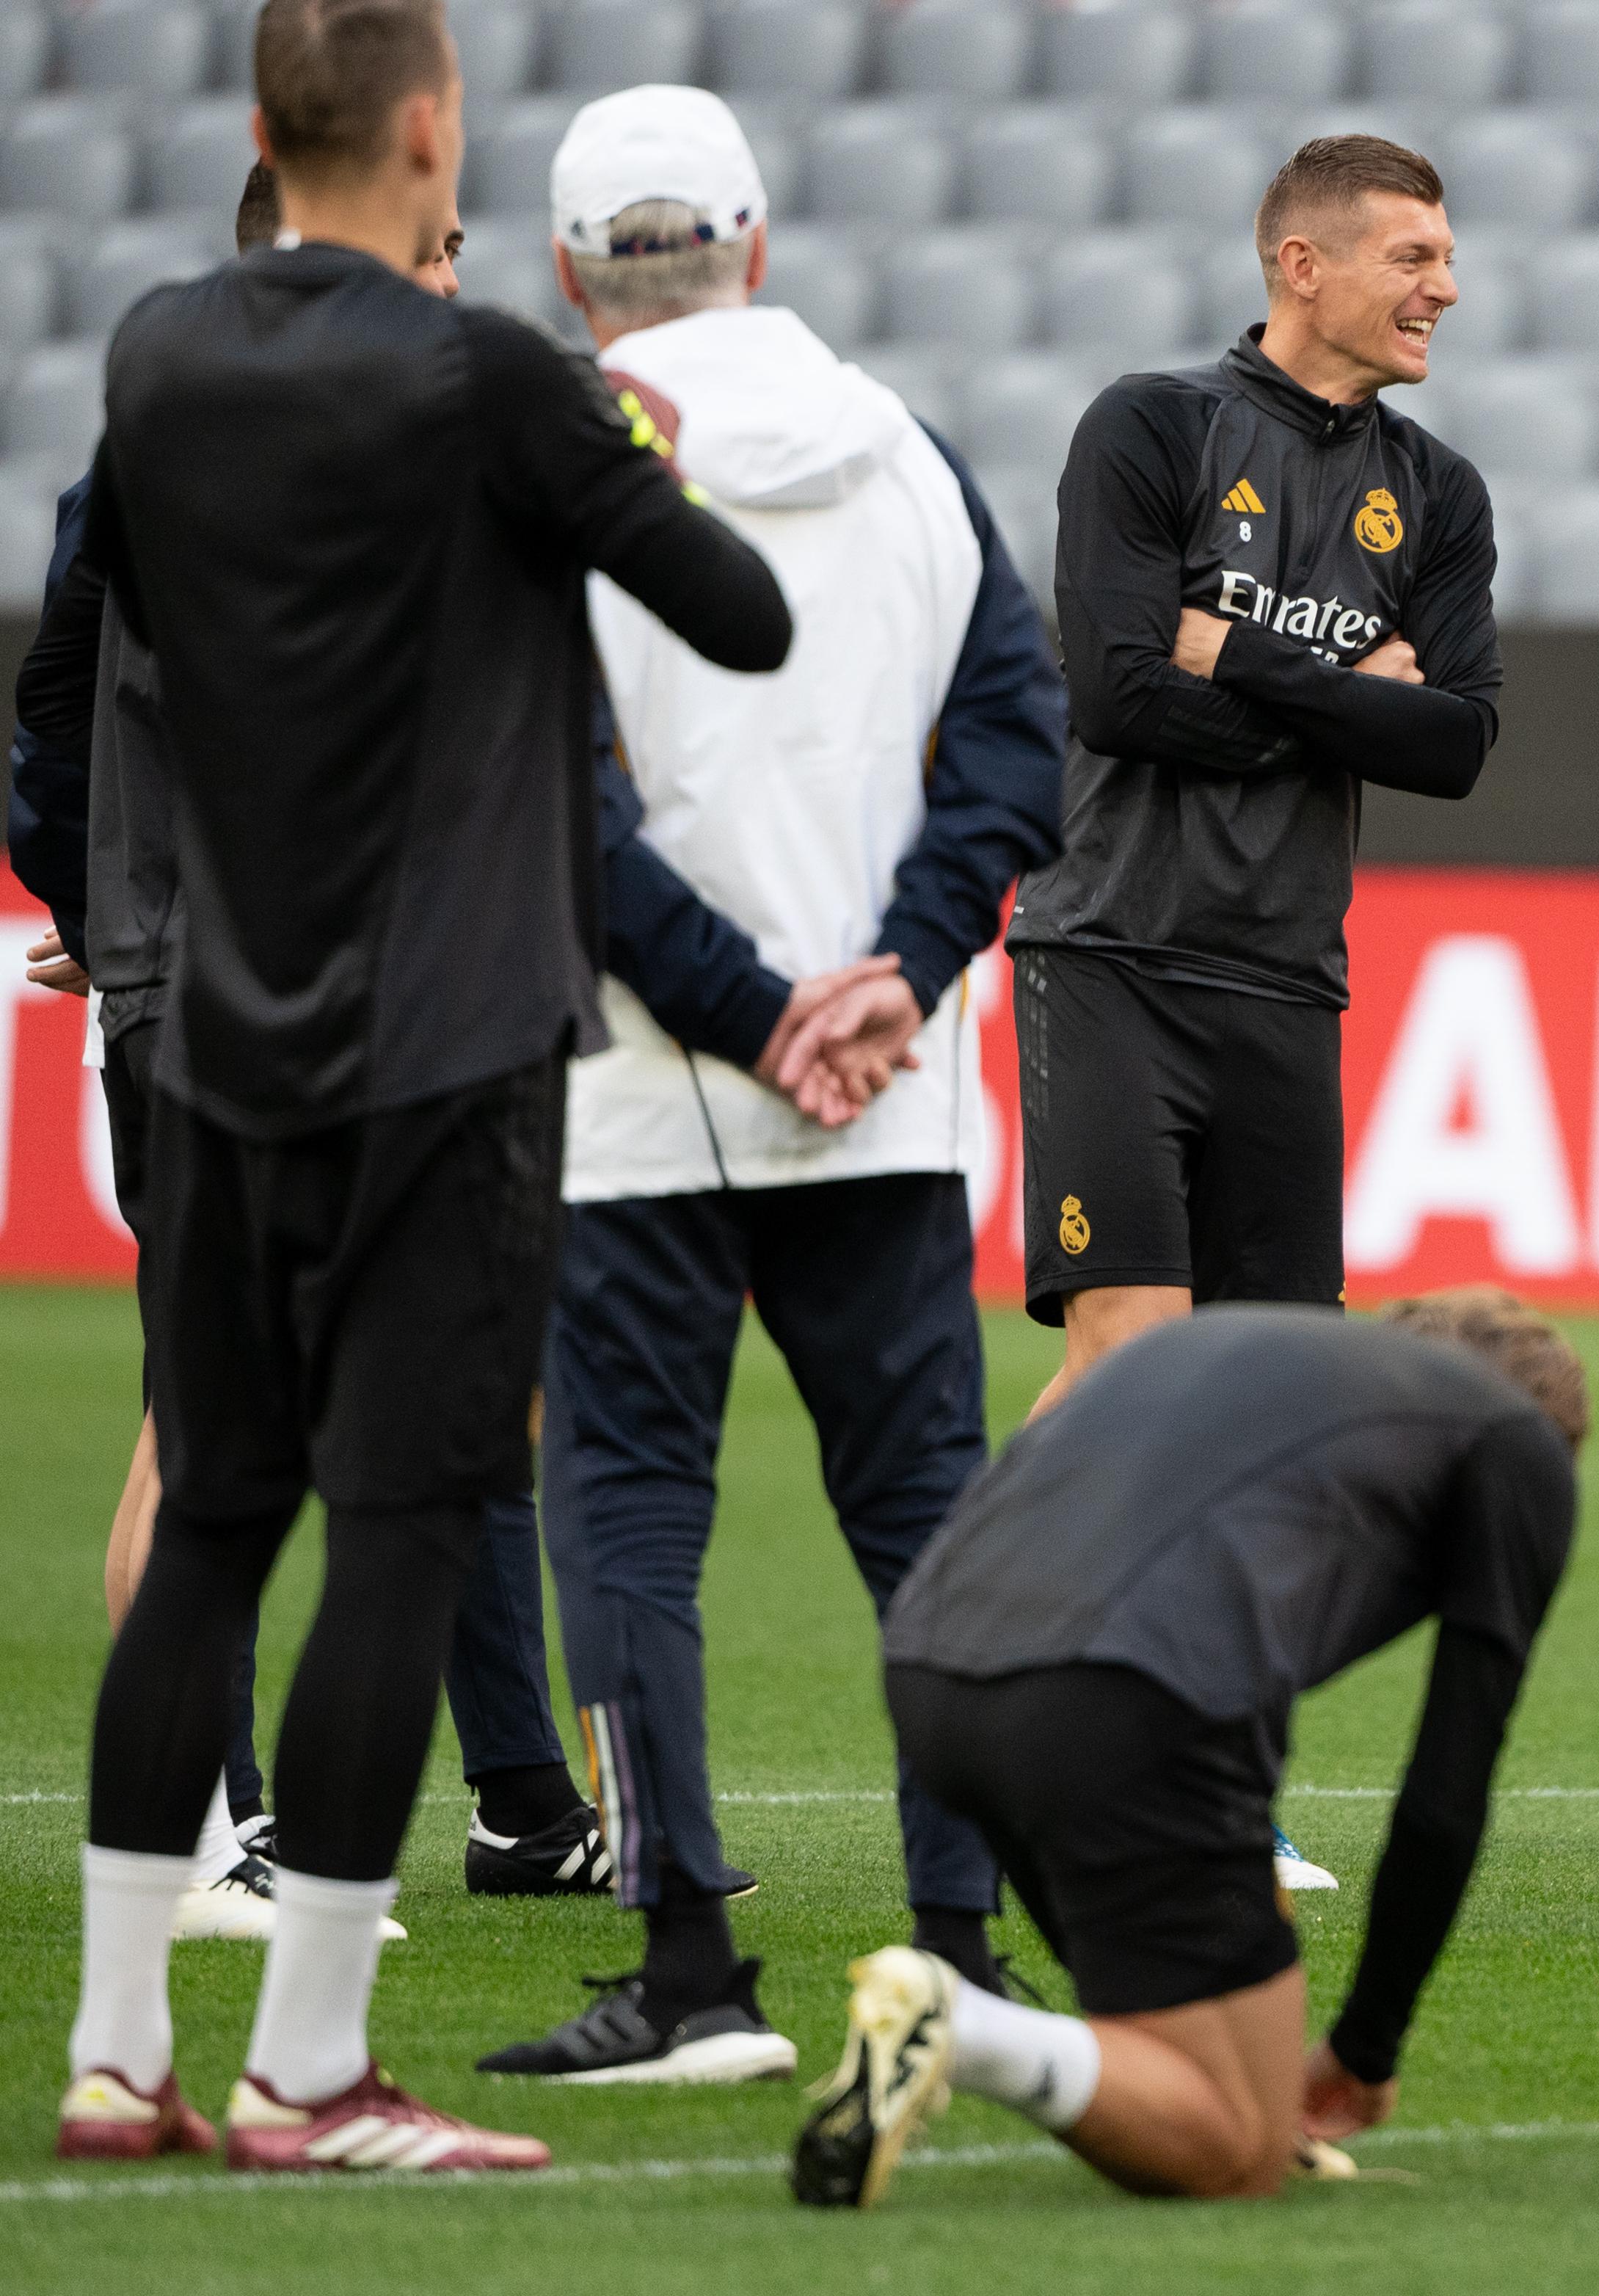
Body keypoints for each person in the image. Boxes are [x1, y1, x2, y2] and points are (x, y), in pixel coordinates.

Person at [52, 0, 790, 2173]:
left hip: (216, 1035)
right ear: (430, 129)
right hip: (448, 1046)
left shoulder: (158, 362)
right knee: (397, 1532)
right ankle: (304, 2067)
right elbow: (733, 612)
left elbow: (72, 674)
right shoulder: (494, 382)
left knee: (207, 1523)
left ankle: (118, 2051)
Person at [470, 83, 1064, 2087]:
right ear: (760, 243)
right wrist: (888, 981)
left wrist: (742, 1011)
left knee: (630, 1515)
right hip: (887, 1092)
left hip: (643, 1087)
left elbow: (541, 797)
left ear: (567, 272)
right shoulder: (904, 452)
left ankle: (690, 1971)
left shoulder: (542, 467)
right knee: (928, 1524)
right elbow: (1017, 744)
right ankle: (965, 1950)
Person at [10, 161, 624, 1950]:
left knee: (384, 1405)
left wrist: (96, 892)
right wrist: (129, 912)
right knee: (211, 1427)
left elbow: (56, 707)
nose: (449, 279)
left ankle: (458, 1803)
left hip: (275, 980)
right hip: (257, 985)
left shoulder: (138, 457)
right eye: (429, 246)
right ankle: (204, 1834)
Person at [1009, 128, 1501, 1889]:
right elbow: (1122, 689)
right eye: (1415, 256)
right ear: (1304, 263)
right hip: (1115, 950)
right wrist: (1340, 688)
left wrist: (1247, 655)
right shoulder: (1148, 429)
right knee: (1134, 1355)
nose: (1445, 284)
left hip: (1287, 975)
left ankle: (1213, 1780)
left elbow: (1455, 739)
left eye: (1446, 257)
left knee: (1268, 1405)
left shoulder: (1436, 493)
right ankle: (994, 1672)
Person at [786, 1290, 1583, 2207]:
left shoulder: (1233, 1350)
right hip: (1118, 1702)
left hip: (933, 1674)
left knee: (1222, 2076)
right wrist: (1367, 2045)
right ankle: (961, 2023)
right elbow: (1446, 1787)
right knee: (1238, 2152)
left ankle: (996, 2034)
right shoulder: (1515, 1440)